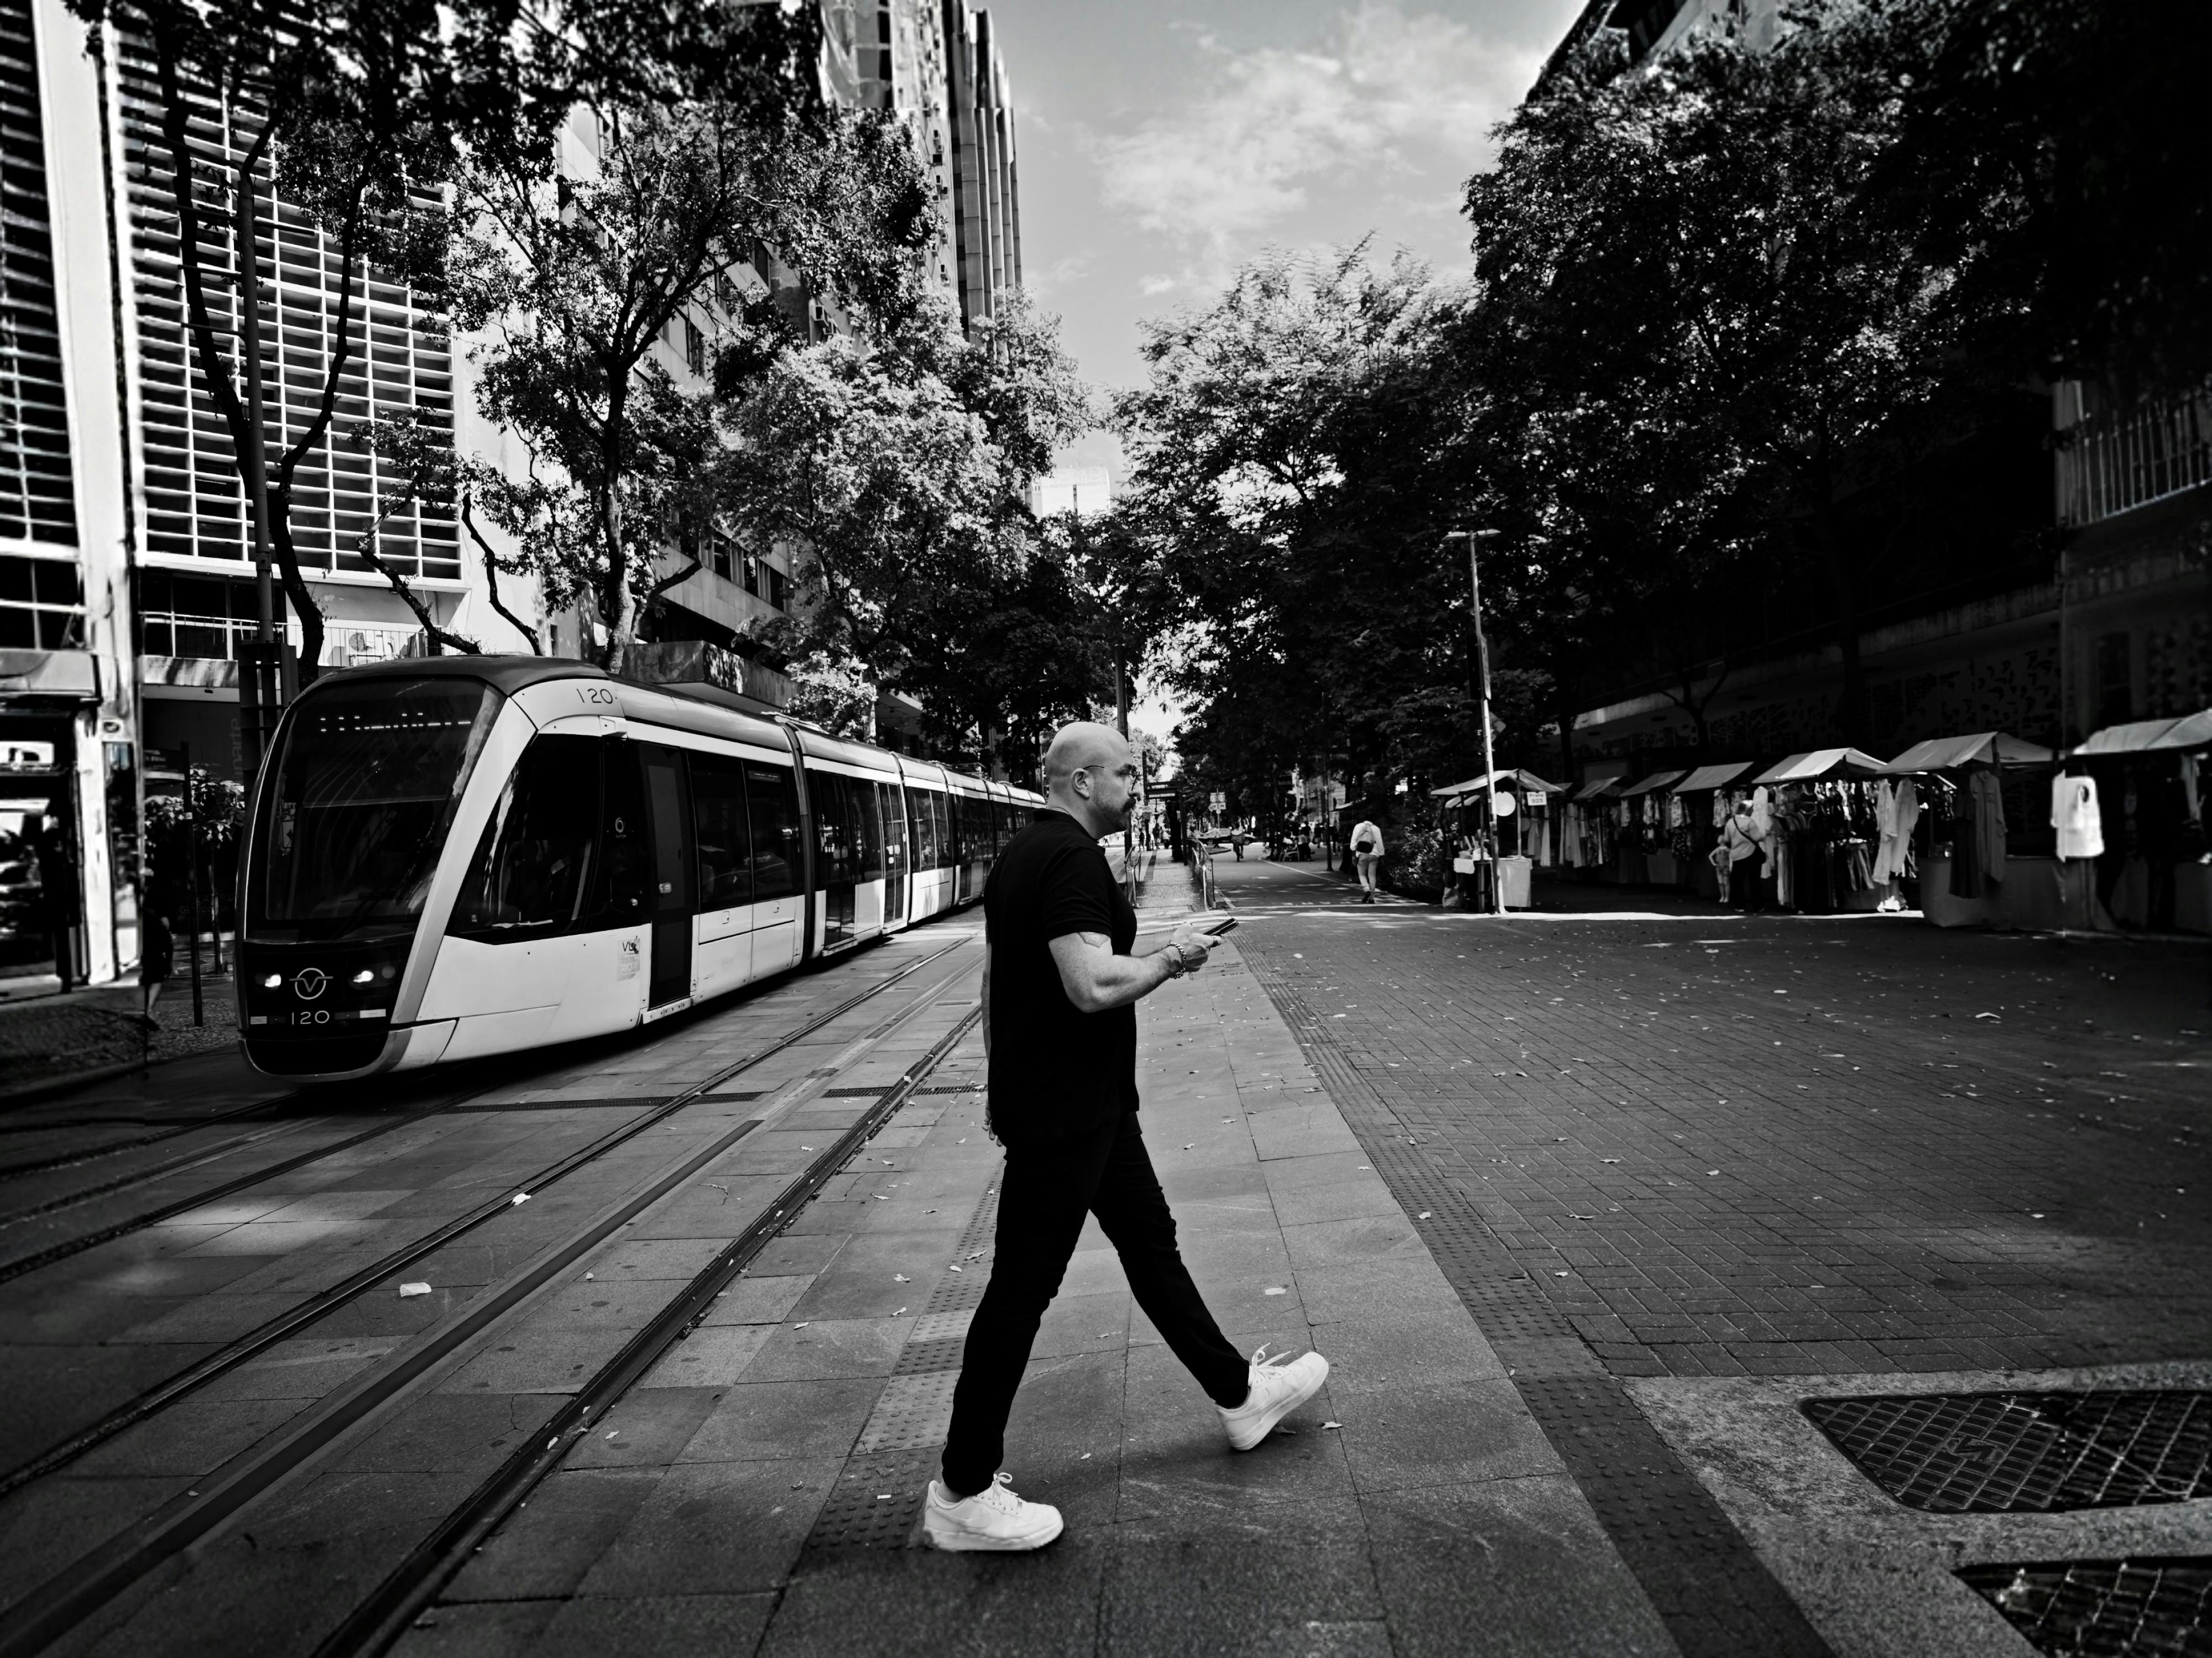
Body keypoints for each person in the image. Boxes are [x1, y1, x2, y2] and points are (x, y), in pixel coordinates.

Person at [924, 721, 1329, 1552]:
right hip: (1069, 1114)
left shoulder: (1021, 855)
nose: (1139, 784)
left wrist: (1002, 1086)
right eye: (1128, 773)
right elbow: (1089, 982)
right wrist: (1175, 955)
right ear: (1081, 782)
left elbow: (1002, 982)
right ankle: (963, 1490)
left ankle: (1238, 1394)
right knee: (1020, 1290)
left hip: (1085, 1106)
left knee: (1152, 1247)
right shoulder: (1071, 858)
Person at [1721, 799, 1768, 913]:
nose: (1753, 811)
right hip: (1752, 855)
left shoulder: (1730, 822)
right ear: (1747, 810)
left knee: (1738, 882)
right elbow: (1757, 838)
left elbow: (1727, 839)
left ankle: (1740, 906)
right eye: (1752, 809)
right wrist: (1765, 835)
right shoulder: (1750, 822)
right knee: (1755, 881)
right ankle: (1758, 906)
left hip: (1737, 856)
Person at [139, 899, 174, 1028]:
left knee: (147, 983)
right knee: (155, 982)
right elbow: (168, 943)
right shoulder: (155, 919)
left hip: (143, 957)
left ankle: (147, 1010)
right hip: (154, 957)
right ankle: (148, 1009)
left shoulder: (142, 916)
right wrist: (168, 963)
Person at [1349, 816, 1384, 903]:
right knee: (1372, 876)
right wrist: (1381, 854)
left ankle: (1366, 888)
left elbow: (1354, 841)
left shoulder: (1358, 827)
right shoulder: (1376, 829)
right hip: (1374, 855)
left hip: (1362, 854)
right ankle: (1372, 898)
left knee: (1362, 874)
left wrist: (1353, 853)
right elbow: (1380, 843)